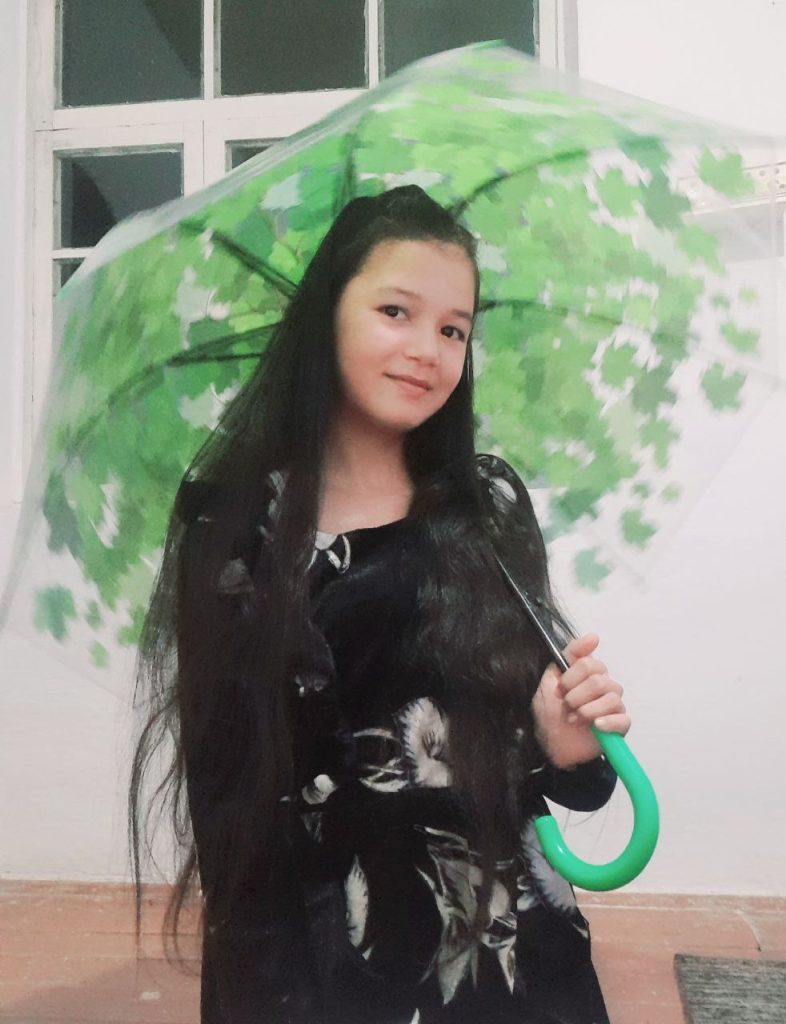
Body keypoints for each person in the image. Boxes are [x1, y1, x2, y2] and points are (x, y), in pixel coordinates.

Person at [130, 185, 630, 1024]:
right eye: (396, 311)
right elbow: (229, 801)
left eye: (453, 329)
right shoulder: (235, 527)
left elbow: (561, 781)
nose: (428, 350)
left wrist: (563, 744)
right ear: (328, 315)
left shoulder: (489, 504)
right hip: (330, 955)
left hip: (506, 954)